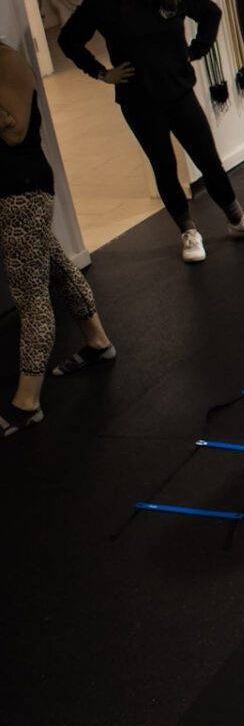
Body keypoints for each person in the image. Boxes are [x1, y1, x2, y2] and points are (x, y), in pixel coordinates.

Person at [57, 0, 244, 263]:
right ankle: (188, 232)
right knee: (164, 165)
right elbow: (68, 40)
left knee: (208, 159)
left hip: (179, 93)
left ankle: (238, 219)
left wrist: (197, 49)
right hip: (138, 100)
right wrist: (102, 73)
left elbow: (210, 12)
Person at [0, 40, 114, 436]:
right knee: (57, 268)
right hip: (13, 191)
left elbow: (14, 132)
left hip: (21, 191)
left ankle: (27, 403)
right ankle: (98, 341)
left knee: (30, 296)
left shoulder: (8, 62)